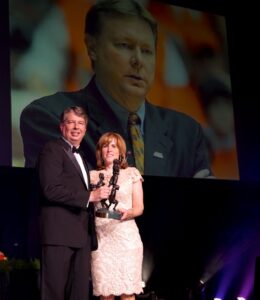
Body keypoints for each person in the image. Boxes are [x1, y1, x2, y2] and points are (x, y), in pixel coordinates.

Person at [20, 0, 212, 178]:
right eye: (124, 46)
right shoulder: (51, 118)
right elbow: (36, 74)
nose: (138, 61)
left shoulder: (186, 132)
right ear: (93, 49)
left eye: (146, 51)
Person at [37, 106, 111, 300]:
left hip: (81, 237)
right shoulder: (52, 149)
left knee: (78, 294)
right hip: (58, 235)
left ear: (85, 129)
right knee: (54, 293)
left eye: (80, 123)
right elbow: (50, 189)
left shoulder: (83, 158)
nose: (76, 127)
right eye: (71, 122)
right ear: (62, 127)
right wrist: (89, 196)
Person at [90, 132, 144, 300]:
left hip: (126, 239)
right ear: (100, 151)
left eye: (114, 146)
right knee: (106, 294)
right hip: (102, 240)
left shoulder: (131, 173)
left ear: (121, 152)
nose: (109, 149)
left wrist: (129, 213)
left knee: (127, 293)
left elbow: (139, 207)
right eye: (105, 145)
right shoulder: (91, 176)